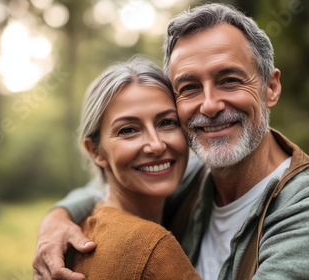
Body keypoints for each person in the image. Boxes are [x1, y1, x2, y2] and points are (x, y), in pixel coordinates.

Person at [33, 3, 309, 280]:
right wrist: (56, 222)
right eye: (189, 87)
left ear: (270, 88)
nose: (210, 105)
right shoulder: (188, 176)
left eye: (229, 80)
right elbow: (115, 183)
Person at [45, 56, 201, 279]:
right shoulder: (154, 249)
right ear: (95, 152)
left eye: (167, 122)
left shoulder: (84, 230)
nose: (156, 146)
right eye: (128, 130)